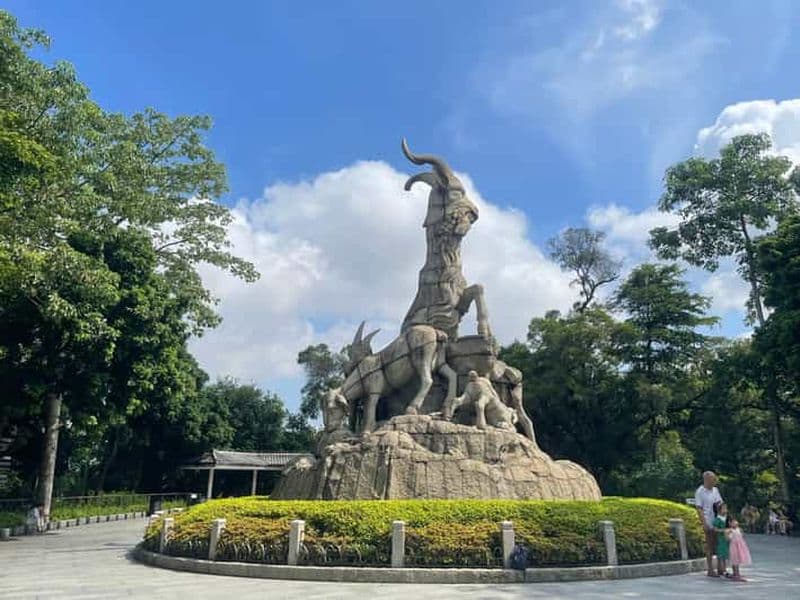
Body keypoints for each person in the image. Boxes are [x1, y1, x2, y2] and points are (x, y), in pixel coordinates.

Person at [695, 471, 724, 577]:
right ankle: (710, 569)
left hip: (717, 521)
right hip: (708, 520)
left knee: (719, 544)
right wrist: (704, 523)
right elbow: (699, 508)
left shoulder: (715, 490)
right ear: (706, 479)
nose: (714, 481)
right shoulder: (700, 491)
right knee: (710, 545)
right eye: (712, 479)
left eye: (714, 479)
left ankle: (721, 568)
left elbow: (720, 504)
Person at [727, 518, 752, 582]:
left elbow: (741, 536)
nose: (735, 523)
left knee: (737, 560)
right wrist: (729, 534)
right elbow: (728, 538)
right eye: (733, 522)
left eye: (735, 521)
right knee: (734, 560)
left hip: (740, 547)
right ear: (729, 523)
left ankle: (737, 573)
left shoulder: (739, 529)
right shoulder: (730, 530)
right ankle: (736, 575)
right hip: (733, 546)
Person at [713, 502, 731, 577]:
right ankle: (722, 570)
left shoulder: (727, 518)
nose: (725, 510)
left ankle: (724, 569)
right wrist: (722, 530)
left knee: (725, 555)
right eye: (724, 508)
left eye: (726, 508)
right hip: (720, 539)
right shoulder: (718, 519)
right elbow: (715, 529)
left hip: (726, 539)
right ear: (719, 510)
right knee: (720, 555)